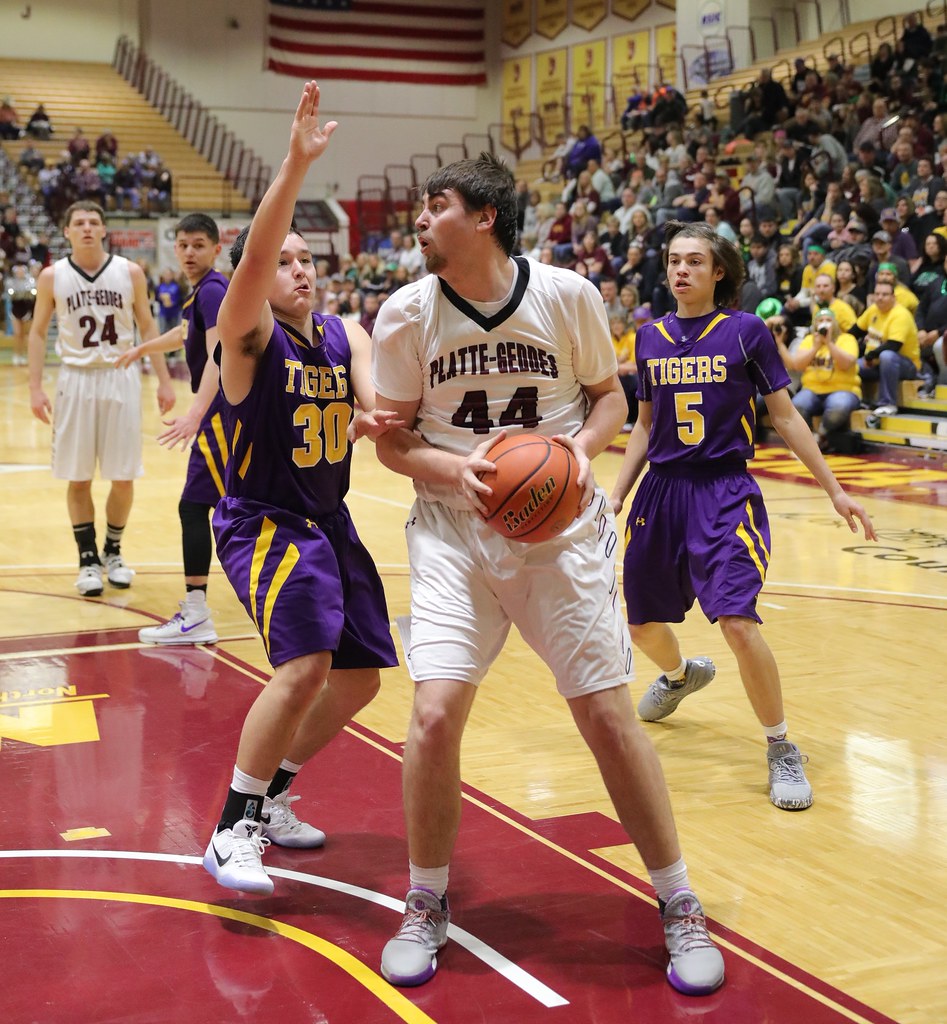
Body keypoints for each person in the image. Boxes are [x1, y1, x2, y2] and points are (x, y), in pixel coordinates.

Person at [371, 155, 725, 995]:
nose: (420, 220)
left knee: (604, 714)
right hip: (453, 529)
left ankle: (678, 901)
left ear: (484, 216)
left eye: (437, 205)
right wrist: (450, 471)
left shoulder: (566, 295)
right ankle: (426, 898)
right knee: (431, 714)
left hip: (558, 532)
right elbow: (389, 442)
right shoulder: (405, 313)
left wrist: (572, 456)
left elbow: (609, 399)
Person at [200, 82, 399, 896]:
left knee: (358, 676)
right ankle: (228, 829)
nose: (297, 268)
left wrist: (369, 411)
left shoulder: (338, 330)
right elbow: (252, 259)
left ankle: (272, 797)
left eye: (307, 257)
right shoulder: (247, 335)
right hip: (265, 518)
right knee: (304, 663)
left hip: (327, 518)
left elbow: (365, 372)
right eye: (284, 259)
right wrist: (294, 164)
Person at [609, 222, 875, 814]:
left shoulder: (746, 331)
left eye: (694, 262)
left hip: (724, 492)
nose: (681, 271)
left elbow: (784, 416)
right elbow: (645, 426)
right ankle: (680, 676)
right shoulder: (648, 337)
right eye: (674, 261)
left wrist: (834, 489)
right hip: (662, 492)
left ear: (717, 271)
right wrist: (618, 494)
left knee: (735, 621)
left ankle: (781, 746)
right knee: (639, 626)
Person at [27, 200, 176, 596]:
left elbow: (148, 326)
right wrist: (35, 387)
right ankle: (87, 559)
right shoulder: (51, 276)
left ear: (105, 229)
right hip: (75, 379)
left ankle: (113, 550)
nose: (88, 228)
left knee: (123, 476)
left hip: (120, 377)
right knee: (78, 477)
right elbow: (39, 332)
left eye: (94, 222)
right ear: (67, 232)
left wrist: (163, 381)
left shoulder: (130, 273)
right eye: (79, 222)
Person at [116, 214, 228, 644]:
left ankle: (197, 611)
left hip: (220, 414)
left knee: (196, 507)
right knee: (232, 505)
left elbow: (220, 354)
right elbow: (185, 334)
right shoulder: (201, 293)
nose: (188, 253)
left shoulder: (214, 290)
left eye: (198, 245)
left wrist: (196, 412)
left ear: (216, 249)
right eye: (182, 245)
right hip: (219, 413)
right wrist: (143, 348)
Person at [774, 308, 862, 451]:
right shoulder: (809, 341)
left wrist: (829, 344)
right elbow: (797, 365)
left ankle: (822, 435)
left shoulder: (847, 339)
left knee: (838, 408)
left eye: (828, 320)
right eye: (821, 320)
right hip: (812, 390)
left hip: (843, 390)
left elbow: (846, 364)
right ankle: (809, 440)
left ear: (835, 324)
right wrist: (815, 347)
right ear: (815, 325)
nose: (825, 323)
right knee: (797, 405)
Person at [853, 278, 921, 416]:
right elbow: (854, 331)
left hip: (906, 365)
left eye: (884, 294)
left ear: (893, 297)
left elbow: (894, 345)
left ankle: (888, 404)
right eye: (877, 294)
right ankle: (858, 402)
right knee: (851, 365)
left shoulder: (900, 314)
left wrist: (869, 356)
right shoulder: (873, 310)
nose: (880, 298)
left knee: (887, 356)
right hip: (876, 362)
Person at [5, 261, 36, 366]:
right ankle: (16, 354)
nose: (20, 272)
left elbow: (32, 295)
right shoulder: (10, 282)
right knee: (17, 333)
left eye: (21, 270)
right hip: (15, 310)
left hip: (26, 310)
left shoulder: (30, 281)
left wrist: (24, 294)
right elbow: (10, 295)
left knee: (24, 334)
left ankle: (22, 355)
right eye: (18, 270)